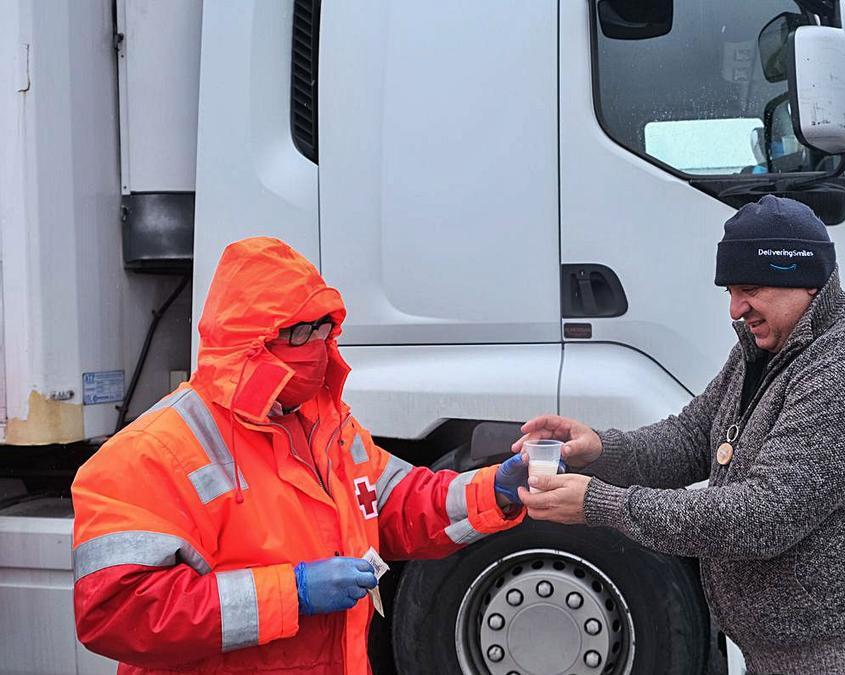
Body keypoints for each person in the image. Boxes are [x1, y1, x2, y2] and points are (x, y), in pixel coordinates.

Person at [515, 195, 845, 675]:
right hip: (788, 655)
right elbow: (692, 439)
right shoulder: (767, 348)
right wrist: (598, 449)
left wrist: (601, 503)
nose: (736, 309)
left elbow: (765, 515)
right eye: (730, 291)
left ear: (800, 279)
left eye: (750, 289)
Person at [72, 237, 528, 674]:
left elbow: (396, 502)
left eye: (325, 329)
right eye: (302, 332)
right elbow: (116, 614)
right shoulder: (149, 453)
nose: (319, 346)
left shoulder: (326, 427)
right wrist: (294, 592)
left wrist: (496, 490)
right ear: (253, 344)